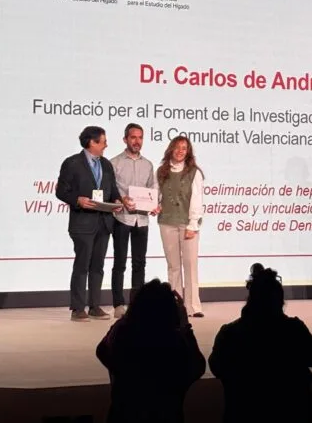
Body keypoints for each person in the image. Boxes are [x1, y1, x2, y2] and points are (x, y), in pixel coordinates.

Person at [208, 264, 312, 423]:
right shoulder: (294, 330)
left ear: (250, 299)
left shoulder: (230, 333)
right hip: (292, 412)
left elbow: (216, 367)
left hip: (243, 413)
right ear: (280, 301)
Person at [96, 279, 206, 423]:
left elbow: (102, 351)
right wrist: (186, 326)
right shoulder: (176, 345)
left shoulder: (124, 340)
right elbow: (198, 367)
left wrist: (128, 317)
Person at [56, 126, 122, 322]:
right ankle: (77, 308)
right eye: (103, 141)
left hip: (104, 222)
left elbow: (113, 189)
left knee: (98, 266)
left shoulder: (106, 164)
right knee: (82, 265)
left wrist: (117, 201)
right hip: (82, 223)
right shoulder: (72, 163)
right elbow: (61, 191)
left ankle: (94, 306)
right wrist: (77, 200)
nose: (106, 145)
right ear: (92, 142)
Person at [155, 136, 205, 317]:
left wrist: (193, 224)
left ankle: (193, 307)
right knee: (173, 266)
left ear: (188, 151)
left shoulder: (194, 172)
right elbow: (157, 195)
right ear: (171, 149)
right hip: (167, 223)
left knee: (190, 266)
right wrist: (155, 205)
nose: (180, 151)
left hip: (187, 225)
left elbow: (197, 199)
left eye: (184, 148)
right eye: (177, 147)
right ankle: (176, 307)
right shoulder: (161, 171)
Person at [110, 123, 155, 319]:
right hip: (122, 218)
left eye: (140, 137)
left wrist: (155, 203)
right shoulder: (114, 163)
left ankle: (136, 304)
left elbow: (153, 188)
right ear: (125, 139)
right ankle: (118, 304)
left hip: (141, 219)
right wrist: (121, 199)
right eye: (133, 137)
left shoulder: (148, 165)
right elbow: (111, 188)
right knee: (120, 262)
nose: (137, 141)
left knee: (140, 263)